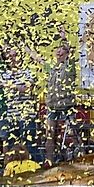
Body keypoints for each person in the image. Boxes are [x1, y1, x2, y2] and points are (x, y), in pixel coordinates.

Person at [25, 30, 77, 165]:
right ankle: (49, 161)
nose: (59, 53)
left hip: (67, 106)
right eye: (57, 51)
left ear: (66, 55)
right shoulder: (51, 68)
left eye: (62, 52)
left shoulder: (69, 67)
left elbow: (70, 52)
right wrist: (28, 50)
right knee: (50, 135)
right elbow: (39, 59)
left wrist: (64, 38)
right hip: (52, 106)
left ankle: (77, 157)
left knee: (72, 133)